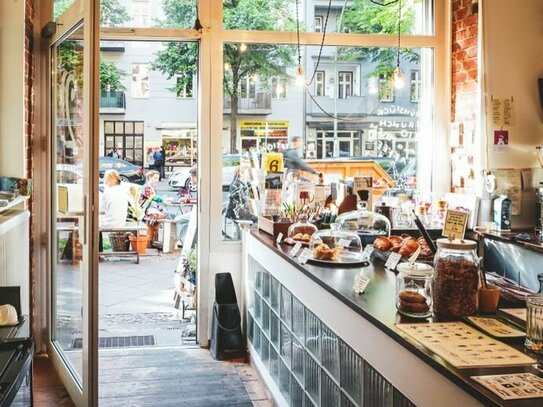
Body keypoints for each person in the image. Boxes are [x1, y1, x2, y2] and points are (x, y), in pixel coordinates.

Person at [99, 170, 129, 252]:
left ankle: (98, 252)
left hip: (111, 222)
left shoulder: (108, 191)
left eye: (107, 178)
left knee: (94, 226)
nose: (105, 181)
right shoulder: (123, 190)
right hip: (121, 221)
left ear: (113, 180)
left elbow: (101, 209)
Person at [139, 170, 168, 244]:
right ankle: (150, 241)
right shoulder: (146, 187)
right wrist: (163, 200)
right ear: (149, 178)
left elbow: (156, 202)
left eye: (157, 178)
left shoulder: (152, 188)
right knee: (159, 216)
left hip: (152, 209)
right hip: (145, 210)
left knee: (167, 214)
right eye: (155, 178)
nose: (157, 180)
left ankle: (153, 240)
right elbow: (153, 197)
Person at [175, 166, 197, 247]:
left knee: (178, 219)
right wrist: (187, 200)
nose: (190, 179)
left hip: (199, 213)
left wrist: (187, 200)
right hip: (198, 212)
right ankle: (181, 240)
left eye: (191, 176)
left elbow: (201, 201)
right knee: (185, 222)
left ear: (194, 176)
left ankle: (179, 240)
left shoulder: (201, 186)